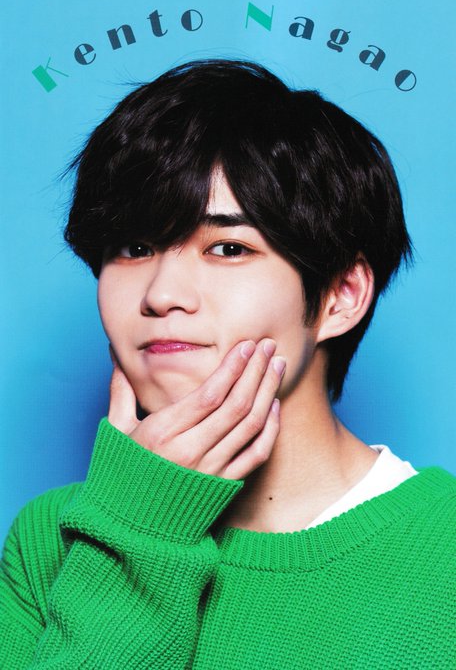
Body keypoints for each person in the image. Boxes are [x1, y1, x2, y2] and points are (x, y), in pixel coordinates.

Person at [1, 59, 454, 668]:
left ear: (340, 296)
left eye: (228, 247)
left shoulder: (443, 546)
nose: (162, 294)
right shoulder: (49, 538)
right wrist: (137, 526)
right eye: (134, 247)